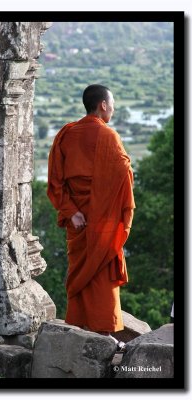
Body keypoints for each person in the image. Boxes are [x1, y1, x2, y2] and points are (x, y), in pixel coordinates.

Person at [47, 84, 135, 350]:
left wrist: (70, 211)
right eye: (113, 103)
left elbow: (55, 181)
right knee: (102, 271)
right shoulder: (109, 137)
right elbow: (124, 178)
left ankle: (80, 326)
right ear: (103, 106)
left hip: (78, 222)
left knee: (81, 270)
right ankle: (103, 331)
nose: (114, 108)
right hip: (101, 223)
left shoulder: (66, 134)